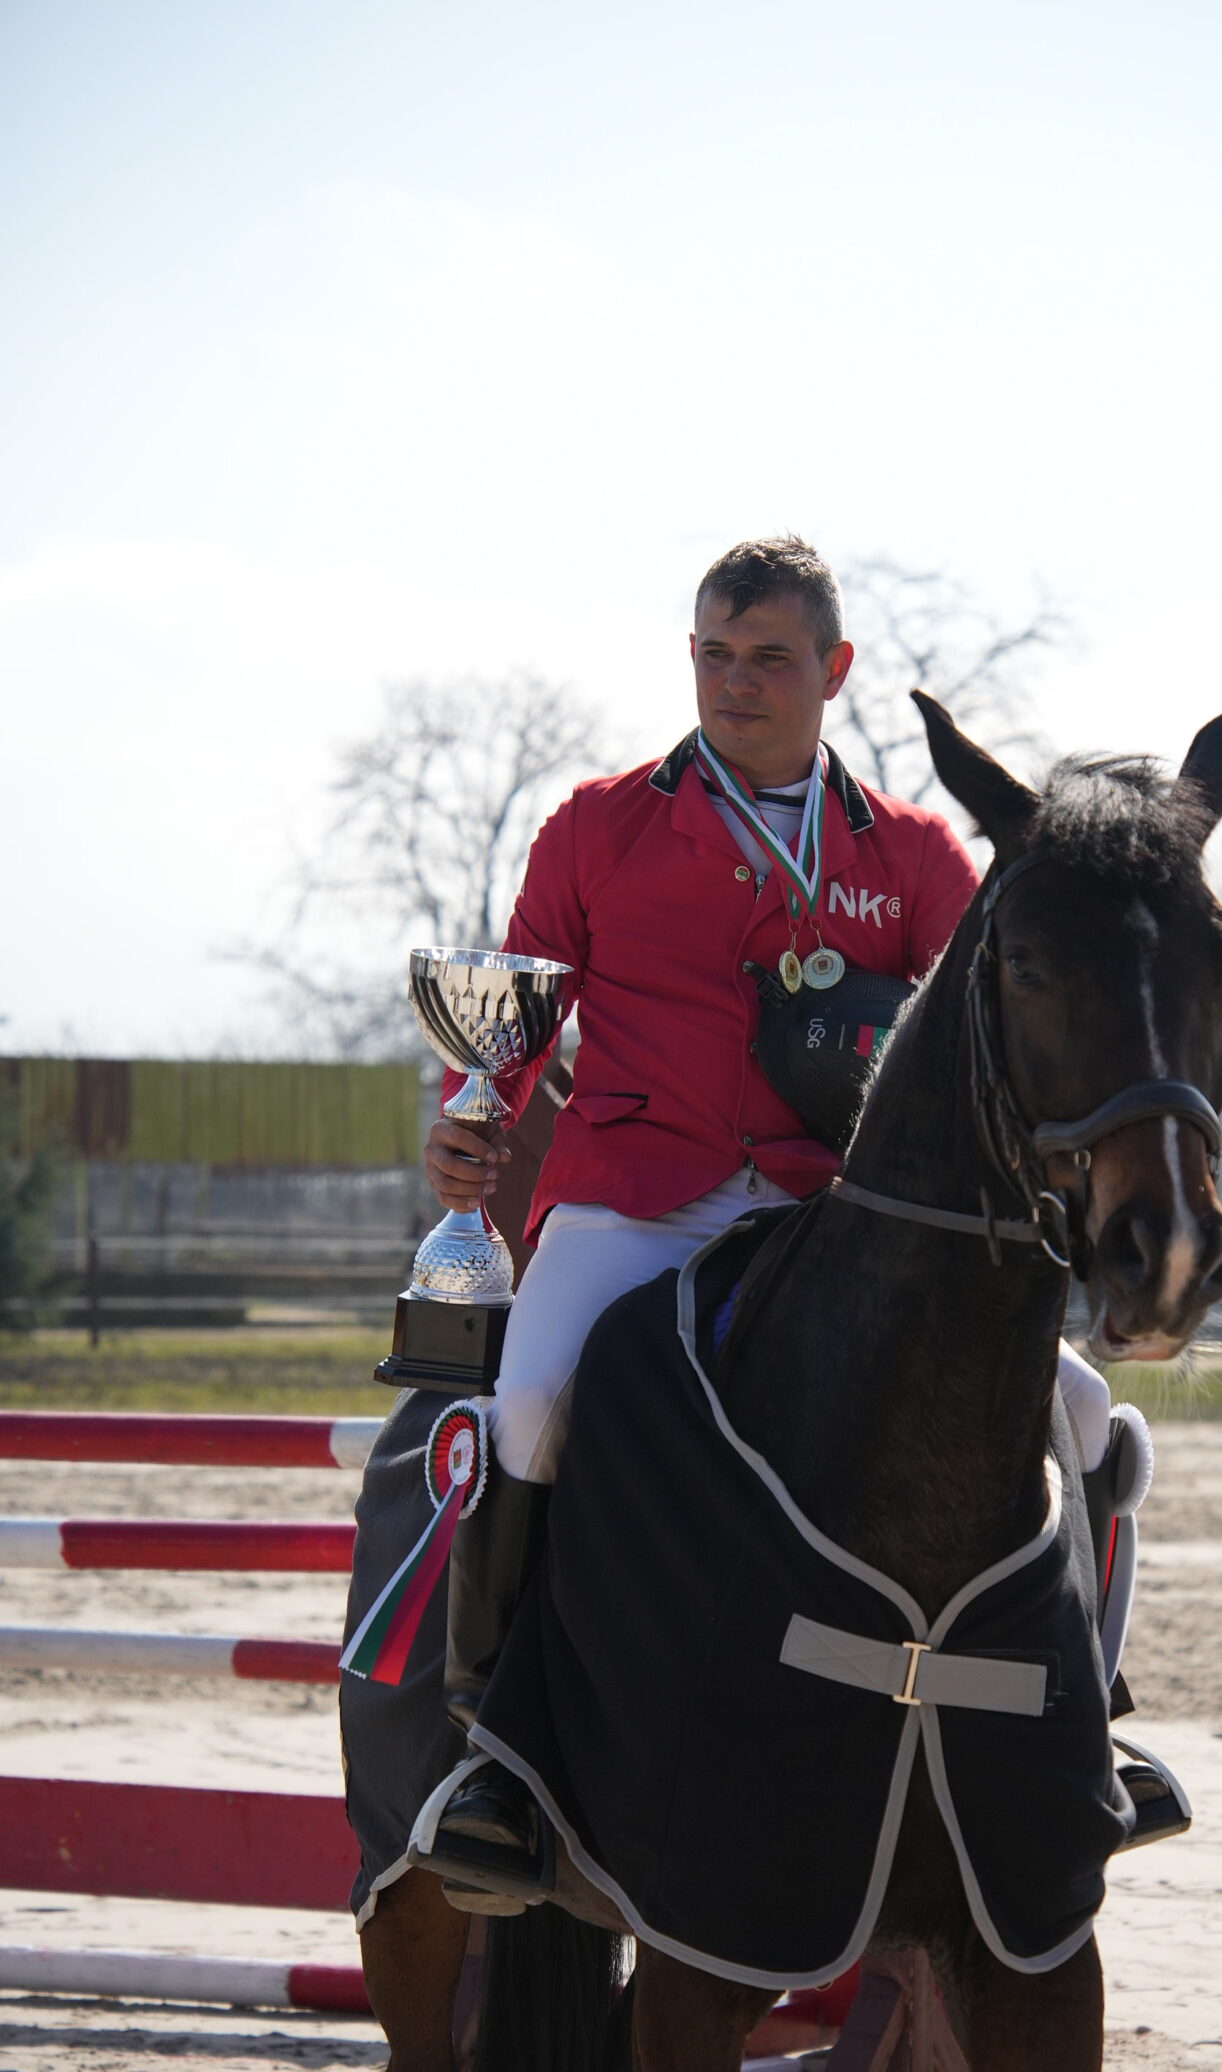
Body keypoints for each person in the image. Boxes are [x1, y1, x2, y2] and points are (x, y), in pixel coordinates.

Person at [419, 536, 1117, 1897]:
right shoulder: (596, 825)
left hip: (830, 1215)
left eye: (770, 659)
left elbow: (987, 1035)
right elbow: (514, 1013)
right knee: (535, 1402)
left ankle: (1088, 1720)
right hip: (635, 1202)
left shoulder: (910, 851)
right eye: (715, 656)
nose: (736, 683)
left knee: (1084, 1412)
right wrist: (469, 1115)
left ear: (832, 669)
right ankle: (492, 1749)